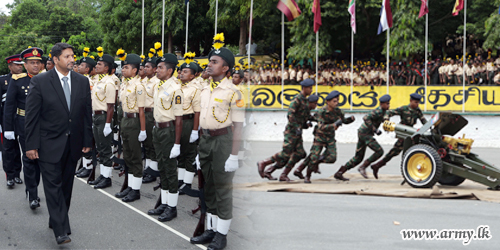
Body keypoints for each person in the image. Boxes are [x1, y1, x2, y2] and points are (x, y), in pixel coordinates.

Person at [25, 42, 93, 245]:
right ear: (55, 59)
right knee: (53, 186)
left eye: (73, 56)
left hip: (73, 144)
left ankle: (56, 220)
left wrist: (87, 140)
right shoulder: (40, 81)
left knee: (66, 186)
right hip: (48, 144)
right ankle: (61, 230)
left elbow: (85, 114)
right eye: (67, 56)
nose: (72, 59)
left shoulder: (82, 81)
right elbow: (32, 116)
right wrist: (30, 145)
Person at [189, 35, 244, 250]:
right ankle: (211, 229)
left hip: (223, 141)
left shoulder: (234, 92)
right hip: (206, 140)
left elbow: (238, 126)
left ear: (226, 68)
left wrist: (233, 155)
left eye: (214, 62)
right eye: (209, 61)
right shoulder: (205, 88)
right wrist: (200, 146)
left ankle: (221, 236)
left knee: (222, 188)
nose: (209, 65)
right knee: (208, 187)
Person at [4, 48, 45, 209]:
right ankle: (33, 195)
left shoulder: (46, 79)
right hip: (24, 122)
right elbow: (9, 106)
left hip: (43, 124)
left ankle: (31, 186)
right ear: (25, 65)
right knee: (29, 158)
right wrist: (8, 128)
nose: (35, 65)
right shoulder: (17, 80)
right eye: (32, 63)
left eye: (37, 62)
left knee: (40, 160)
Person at [146, 54, 183, 221]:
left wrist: (177, 144)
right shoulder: (159, 85)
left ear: (170, 70)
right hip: (157, 129)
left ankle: (172, 207)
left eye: (160, 67)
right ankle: (164, 202)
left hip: (168, 131)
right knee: (162, 167)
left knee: (169, 169)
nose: (157, 70)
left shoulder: (176, 88)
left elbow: (179, 119)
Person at [257, 79, 313, 181]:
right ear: (304, 88)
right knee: (285, 154)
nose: (311, 90)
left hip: (298, 132)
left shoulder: (304, 100)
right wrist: (296, 127)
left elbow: (303, 116)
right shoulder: (297, 99)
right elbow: (290, 114)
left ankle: (281, 174)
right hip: (292, 132)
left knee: (300, 153)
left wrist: (308, 123)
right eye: (310, 88)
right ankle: (264, 162)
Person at [114, 54, 147, 203]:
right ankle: (130, 186)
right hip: (125, 120)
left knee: (135, 157)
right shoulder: (125, 84)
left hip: (134, 122)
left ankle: (136, 190)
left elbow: (141, 110)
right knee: (127, 155)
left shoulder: (138, 86)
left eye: (126, 67)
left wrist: (143, 130)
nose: (123, 69)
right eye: (123, 67)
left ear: (134, 70)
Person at [370, 93, 428, 178]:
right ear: (411, 101)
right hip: (403, 134)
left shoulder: (417, 111)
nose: (417, 104)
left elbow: (423, 121)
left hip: (411, 133)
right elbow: (388, 112)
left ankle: (377, 165)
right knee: (396, 152)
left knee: (406, 153)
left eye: (418, 102)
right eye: (415, 102)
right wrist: (386, 120)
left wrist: (430, 127)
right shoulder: (403, 109)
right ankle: (408, 173)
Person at [304, 91, 355, 183]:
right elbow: (321, 126)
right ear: (328, 102)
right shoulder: (321, 112)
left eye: (337, 101)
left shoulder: (338, 111)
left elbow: (343, 121)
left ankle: (317, 160)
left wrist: (350, 120)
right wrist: (334, 124)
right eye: (334, 101)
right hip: (320, 136)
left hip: (330, 137)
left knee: (332, 158)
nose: (337, 103)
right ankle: (307, 176)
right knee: (314, 157)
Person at [336, 95, 390, 181]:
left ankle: (339, 172)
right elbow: (365, 117)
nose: (388, 105)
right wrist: (375, 129)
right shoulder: (377, 111)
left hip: (363, 133)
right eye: (387, 104)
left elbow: (385, 118)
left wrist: (387, 124)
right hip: (365, 134)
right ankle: (363, 166)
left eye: (389, 103)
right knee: (379, 151)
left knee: (358, 158)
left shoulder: (384, 111)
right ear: (382, 104)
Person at [86, 54, 116, 189]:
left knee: (105, 149)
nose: (96, 66)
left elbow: (110, 106)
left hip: (104, 117)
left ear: (107, 68)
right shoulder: (99, 81)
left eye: (100, 64)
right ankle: (103, 175)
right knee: (100, 148)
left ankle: (107, 177)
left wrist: (108, 124)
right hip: (96, 116)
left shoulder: (109, 83)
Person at [175, 60, 201, 193]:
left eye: (186, 72)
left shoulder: (194, 90)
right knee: (180, 152)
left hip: (188, 122)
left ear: (193, 76)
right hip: (176, 121)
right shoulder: (177, 87)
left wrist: (195, 130)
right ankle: (180, 180)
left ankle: (188, 183)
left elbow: (197, 112)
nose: (182, 74)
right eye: (181, 71)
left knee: (189, 152)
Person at [1, 54, 24, 188]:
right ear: (10, 66)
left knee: (20, 148)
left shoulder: (24, 80)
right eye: (17, 65)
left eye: (21, 65)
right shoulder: (3, 81)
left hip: (21, 118)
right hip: (7, 119)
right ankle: (9, 175)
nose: (19, 67)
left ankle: (17, 174)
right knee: (9, 148)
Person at [141, 56, 160, 183]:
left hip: (151, 113)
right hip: (143, 113)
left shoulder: (157, 82)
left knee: (152, 144)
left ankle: (153, 170)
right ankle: (148, 169)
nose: (145, 69)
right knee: (146, 143)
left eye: (148, 67)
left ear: (154, 69)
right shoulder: (143, 81)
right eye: (145, 66)